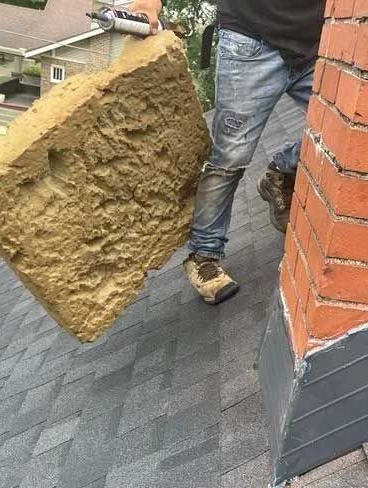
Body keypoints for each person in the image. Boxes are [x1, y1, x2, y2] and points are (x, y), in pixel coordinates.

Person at [129, 0, 324, 305]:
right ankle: (204, 255)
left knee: (345, 127)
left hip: (320, 41)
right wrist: (146, 5)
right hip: (250, 41)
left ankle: (281, 170)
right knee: (230, 158)